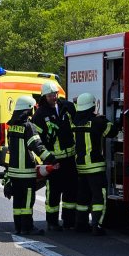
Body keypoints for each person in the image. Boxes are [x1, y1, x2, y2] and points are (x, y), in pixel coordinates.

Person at [32, 80, 78, 231]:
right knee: (53, 192)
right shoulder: (40, 114)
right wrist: (49, 160)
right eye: (51, 95)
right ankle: (52, 222)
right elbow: (37, 140)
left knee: (71, 190)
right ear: (44, 96)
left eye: (55, 94)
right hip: (54, 160)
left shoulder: (67, 107)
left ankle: (69, 221)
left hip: (70, 158)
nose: (54, 97)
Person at [72, 92, 119, 236]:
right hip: (95, 168)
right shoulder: (97, 122)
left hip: (80, 167)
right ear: (92, 106)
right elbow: (113, 131)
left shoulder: (74, 123)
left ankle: (80, 224)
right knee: (99, 197)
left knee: (82, 198)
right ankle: (96, 225)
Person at [7, 95, 54, 235]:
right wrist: (51, 159)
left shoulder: (12, 127)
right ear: (28, 110)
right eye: (33, 108)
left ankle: (18, 227)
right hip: (26, 173)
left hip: (14, 173)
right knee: (28, 201)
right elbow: (37, 146)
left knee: (18, 201)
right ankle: (27, 227)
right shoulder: (28, 126)